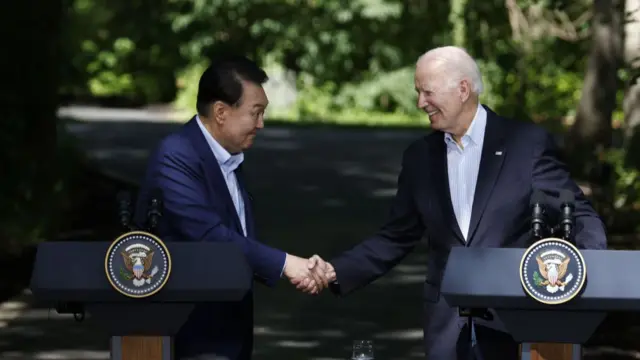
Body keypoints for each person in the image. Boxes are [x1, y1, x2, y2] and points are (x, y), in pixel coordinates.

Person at [303, 46, 607, 360]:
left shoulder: (524, 145)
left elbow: (579, 213)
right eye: (418, 93)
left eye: (427, 92)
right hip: (446, 326)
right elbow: (395, 237)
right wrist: (335, 270)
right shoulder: (420, 157)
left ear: (463, 89)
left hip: (514, 322)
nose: (421, 103)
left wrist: (589, 269)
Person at [134, 55, 326, 360]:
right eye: (256, 113)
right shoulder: (176, 155)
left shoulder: (228, 156)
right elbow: (208, 235)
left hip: (230, 331)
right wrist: (286, 264)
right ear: (221, 112)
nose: (261, 124)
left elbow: (240, 236)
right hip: (192, 334)